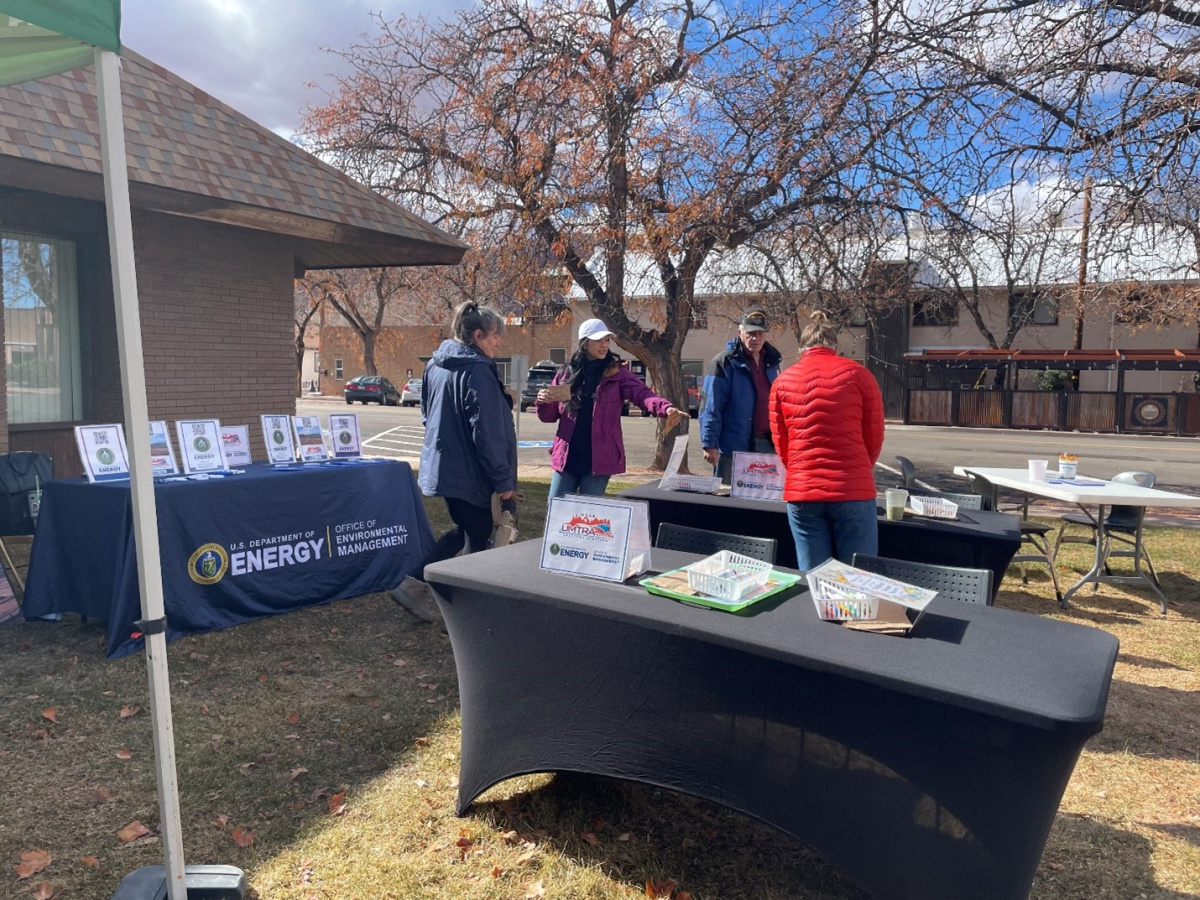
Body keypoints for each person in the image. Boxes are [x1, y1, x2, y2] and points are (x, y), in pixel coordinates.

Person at [391, 301, 517, 622]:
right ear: (477, 335)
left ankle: (416, 585)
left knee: (466, 530)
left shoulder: (436, 365)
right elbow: (486, 433)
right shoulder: (477, 371)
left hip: (446, 469)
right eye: (494, 336)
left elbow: (426, 415)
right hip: (472, 474)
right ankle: (459, 613)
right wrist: (503, 481)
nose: (498, 342)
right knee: (478, 538)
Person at [769, 311, 884, 570]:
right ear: (836, 347)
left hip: (803, 490)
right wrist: (861, 468)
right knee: (860, 579)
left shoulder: (783, 381)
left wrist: (799, 471)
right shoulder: (859, 374)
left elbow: (781, 441)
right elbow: (873, 435)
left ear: (801, 349)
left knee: (815, 579)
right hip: (852, 487)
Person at [537, 318, 684, 500]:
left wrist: (665, 408)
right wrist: (543, 401)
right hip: (566, 459)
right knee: (556, 513)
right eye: (598, 340)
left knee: (589, 517)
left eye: (607, 340)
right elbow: (549, 417)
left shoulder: (618, 374)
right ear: (584, 342)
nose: (604, 345)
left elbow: (643, 395)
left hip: (599, 461)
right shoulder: (565, 373)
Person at [700, 308, 783, 483]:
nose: (756, 338)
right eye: (751, 333)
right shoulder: (723, 363)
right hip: (733, 448)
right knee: (727, 503)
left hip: (768, 445)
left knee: (762, 504)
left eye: (760, 333)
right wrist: (709, 443)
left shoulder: (773, 362)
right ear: (740, 332)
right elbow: (711, 406)